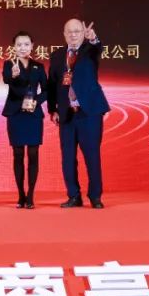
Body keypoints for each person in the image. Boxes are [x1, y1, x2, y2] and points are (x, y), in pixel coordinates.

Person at [46, 18, 110, 208]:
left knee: (92, 155)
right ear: (64, 34)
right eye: (70, 32)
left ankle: (95, 196)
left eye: (77, 31)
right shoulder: (57, 55)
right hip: (66, 114)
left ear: (83, 33)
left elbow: (98, 48)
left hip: (89, 112)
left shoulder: (90, 50)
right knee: (67, 158)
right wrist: (52, 109)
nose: (73, 35)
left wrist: (94, 38)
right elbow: (52, 85)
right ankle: (74, 196)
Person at [1, 31, 48, 209]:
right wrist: (13, 75)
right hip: (16, 114)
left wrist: (37, 101)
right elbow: (6, 79)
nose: (23, 48)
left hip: (33, 114)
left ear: (32, 46)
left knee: (33, 154)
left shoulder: (39, 66)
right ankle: (21, 194)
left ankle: (30, 195)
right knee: (18, 154)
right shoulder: (9, 64)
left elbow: (46, 90)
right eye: (19, 45)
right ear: (14, 47)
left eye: (26, 44)